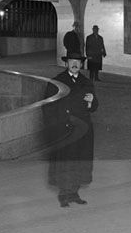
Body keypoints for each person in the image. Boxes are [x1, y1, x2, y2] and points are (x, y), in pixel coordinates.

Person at [43, 52, 100, 207]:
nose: (75, 64)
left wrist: (91, 102)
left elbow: (94, 106)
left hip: (83, 129)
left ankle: (74, 193)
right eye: (72, 61)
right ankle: (64, 195)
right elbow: (48, 107)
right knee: (65, 161)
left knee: (79, 161)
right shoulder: (57, 82)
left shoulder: (86, 82)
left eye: (78, 61)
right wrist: (56, 126)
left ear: (81, 65)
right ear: (66, 63)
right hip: (65, 129)